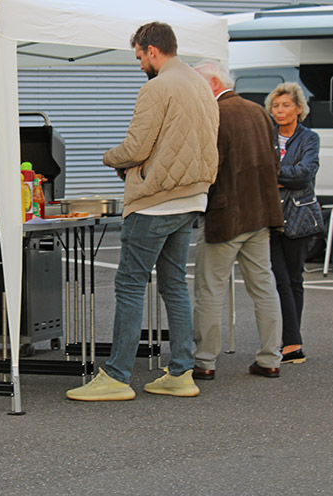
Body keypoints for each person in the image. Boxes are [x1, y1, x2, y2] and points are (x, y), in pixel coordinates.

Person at [66, 21, 219, 401]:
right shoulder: (202, 84)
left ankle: (117, 376)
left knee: (130, 285)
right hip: (192, 198)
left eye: (139, 57)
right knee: (173, 286)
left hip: (155, 201)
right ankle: (181, 372)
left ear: (152, 50)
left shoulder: (157, 87)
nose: (139, 65)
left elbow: (136, 146)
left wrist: (109, 158)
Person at [191, 61, 285, 380]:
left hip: (225, 217)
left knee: (210, 289)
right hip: (261, 212)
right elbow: (274, 162)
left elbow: (208, 167)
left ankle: (205, 361)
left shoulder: (215, 114)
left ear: (214, 83)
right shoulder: (258, 110)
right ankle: (271, 357)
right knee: (264, 288)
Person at [267, 81, 323, 365]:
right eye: (276, 106)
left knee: (294, 279)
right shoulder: (267, 135)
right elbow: (258, 168)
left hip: (299, 215)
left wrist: (276, 175)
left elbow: (305, 173)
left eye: (286, 105)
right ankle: (291, 340)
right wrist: (280, 175)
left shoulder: (309, 138)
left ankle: (291, 341)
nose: (280, 110)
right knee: (280, 279)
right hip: (270, 216)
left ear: (299, 109)